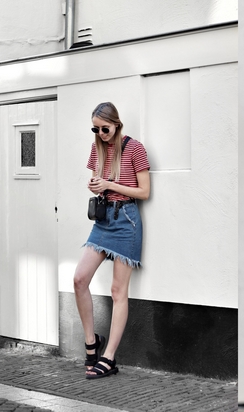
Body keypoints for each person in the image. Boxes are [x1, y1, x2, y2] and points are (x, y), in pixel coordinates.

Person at [74, 102, 150, 379]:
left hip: (127, 220)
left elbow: (144, 192)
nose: (100, 133)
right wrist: (96, 184)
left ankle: (109, 358)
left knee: (119, 291)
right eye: (95, 129)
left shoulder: (134, 148)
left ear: (116, 124)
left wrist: (109, 185)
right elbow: (96, 178)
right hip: (104, 220)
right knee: (79, 279)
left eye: (104, 128)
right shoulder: (98, 147)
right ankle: (91, 343)